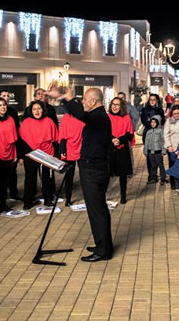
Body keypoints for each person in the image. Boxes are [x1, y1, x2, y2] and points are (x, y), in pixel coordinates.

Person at [50, 85, 114, 262]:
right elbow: (82, 115)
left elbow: (81, 115)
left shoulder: (99, 116)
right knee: (96, 209)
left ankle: (103, 251)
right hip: (92, 167)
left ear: (93, 101)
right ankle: (102, 244)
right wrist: (66, 99)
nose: (84, 102)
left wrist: (68, 99)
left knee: (97, 210)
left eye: (85, 99)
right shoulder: (98, 116)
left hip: (94, 169)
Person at [20, 100, 58, 208]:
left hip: (47, 153)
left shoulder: (49, 121)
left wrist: (55, 155)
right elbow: (22, 141)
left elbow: (55, 140)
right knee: (30, 178)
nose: (37, 111)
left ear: (43, 110)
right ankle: (28, 201)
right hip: (31, 154)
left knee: (47, 178)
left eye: (39, 109)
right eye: (34, 109)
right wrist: (24, 155)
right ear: (31, 111)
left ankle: (48, 199)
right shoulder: (26, 122)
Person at [0, 97, 18, 212]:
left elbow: (14, 138)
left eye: (4, 105)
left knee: (5, 181)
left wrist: (15, 154)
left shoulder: (11, 119)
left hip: (9, 153)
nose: (2, 107)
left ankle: (3, 203)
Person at [108, 97, 135, 204]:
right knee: (107, 173)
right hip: (110, 148)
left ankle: (123, 196)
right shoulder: (107, 117)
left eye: (117, 105)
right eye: (113, 104)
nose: (115, 106)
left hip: (122, 148)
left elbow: (129, 134)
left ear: (121, 106)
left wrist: (119, 140)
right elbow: (104, 132)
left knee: (122, 175)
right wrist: (112, 139)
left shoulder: (127, 118)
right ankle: (102, 194)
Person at [58, 105, 85, 205]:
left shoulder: (83, 117)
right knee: (69, 176)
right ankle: (68, 199)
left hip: (82, 148)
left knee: (85, 175)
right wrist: (62, 150)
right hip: (69, 149)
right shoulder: (66, 117)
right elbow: (62, 135)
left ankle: (88, 197)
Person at [143, 115, 166, 185]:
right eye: (151, 122)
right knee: (153, 166)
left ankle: (163, 178)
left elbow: (163, 141)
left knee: (160, 165)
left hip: (158, 152)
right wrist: (145, 150)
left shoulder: (160, 131)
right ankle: (153, 178)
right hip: (151, 152)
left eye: (154, 122)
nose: (153, 124)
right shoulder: (148, 132)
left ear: (157, 123)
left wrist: (164, 150)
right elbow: (146, 141)